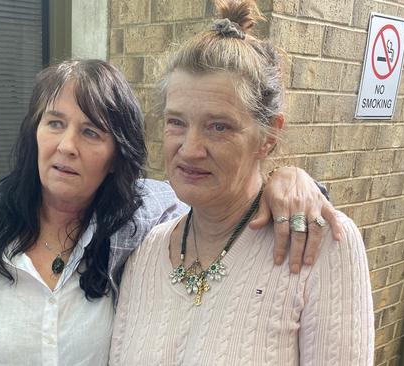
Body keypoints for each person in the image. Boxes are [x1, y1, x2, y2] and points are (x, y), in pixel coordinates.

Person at [0, 60, 338, 366]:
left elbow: (222, 202)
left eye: (91, 132)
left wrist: (290, 181)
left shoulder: (143, 220)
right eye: (55, 123)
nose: (67, 145)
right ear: (34, 132)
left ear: (116, 155)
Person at [109, 1, 374, 365]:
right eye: (176, 122)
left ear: (268, 137)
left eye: (219, 126)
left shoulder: (322, 245)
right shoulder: (146, 252)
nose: (190, 149)